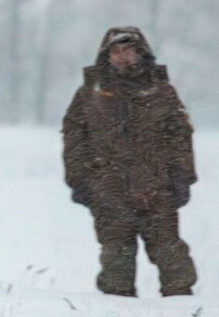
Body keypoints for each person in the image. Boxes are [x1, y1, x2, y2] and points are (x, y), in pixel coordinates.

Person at [62, 26, 197, 297]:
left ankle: (183, 315)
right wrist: (79, 180)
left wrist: (183, 177)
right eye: (116, 52)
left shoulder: (161, 92)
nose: (123, 57)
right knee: (116, 260)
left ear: (141, 53)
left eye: (129, 50)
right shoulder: (91, 94)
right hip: (108, 190)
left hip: (157, 189)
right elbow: (74, 138)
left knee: (171, 256)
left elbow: (180, 138)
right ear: (106, 56)